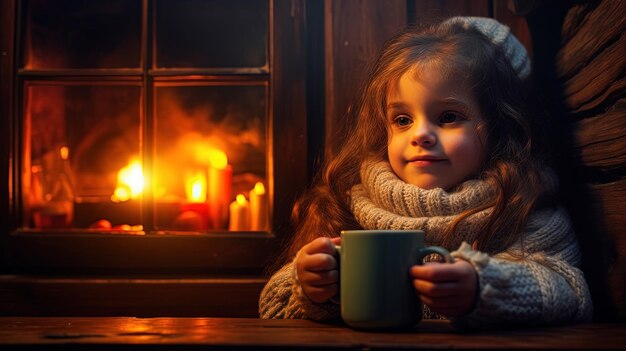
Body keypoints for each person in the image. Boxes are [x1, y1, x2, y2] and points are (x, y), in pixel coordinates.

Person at [258, 16, 593, 329]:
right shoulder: (348, 207)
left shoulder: (521, 207)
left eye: (448, 117)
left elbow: (571, 291)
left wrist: (486, 288)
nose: (419, 135)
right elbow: (271, 307)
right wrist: (312, 287)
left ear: (499, 127)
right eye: (402, 120)